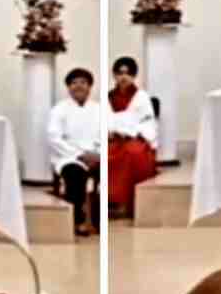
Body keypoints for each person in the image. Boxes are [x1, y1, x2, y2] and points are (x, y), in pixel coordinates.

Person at [48, 68, 101, 237]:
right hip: (68, 156)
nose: (79, 86)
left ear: (90, 86)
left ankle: (98, 220)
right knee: (75, 175)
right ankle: (77, 221)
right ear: (68, 87)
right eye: (74, 82)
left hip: (95, 155)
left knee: (108, 173)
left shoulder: (99, 109)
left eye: (83, 82)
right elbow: (54, 138)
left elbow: (104, 135)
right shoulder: (59, 110)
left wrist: (96, 154)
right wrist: (79, 155)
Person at [107, 56, 158, 216]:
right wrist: (113, 130)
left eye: (128, 73)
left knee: (134, 153)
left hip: (137, 137)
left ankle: (128, 204)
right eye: (120, 73)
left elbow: (147, 122)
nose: (123, 77)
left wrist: (131, 132)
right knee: (107, 155)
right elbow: (104, 119)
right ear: (114, 75)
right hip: (114, 137)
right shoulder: (108, 97)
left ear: (134, 76)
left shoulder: (141, 97)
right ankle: (111, 201)